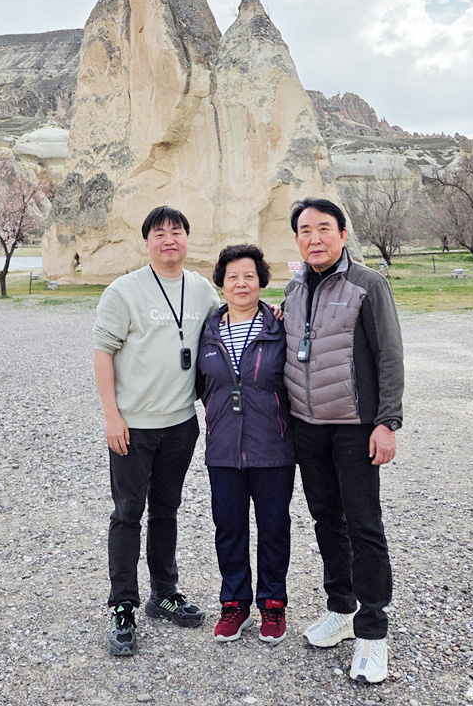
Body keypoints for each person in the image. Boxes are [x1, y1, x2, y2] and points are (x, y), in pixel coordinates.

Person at [283, 197, 404, 684]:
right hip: (308, 426)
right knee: (326, 520)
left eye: (324, 228)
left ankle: (373, 632)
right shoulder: (295, 287)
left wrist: (387, 422)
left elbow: (390, 355)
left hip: (355, 426)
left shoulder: (367, 284)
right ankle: (341, 608)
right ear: (297, 239)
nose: (314, 238)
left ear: (342, 233)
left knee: (364, 525)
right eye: (305, 230)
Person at [93, 206, 220, 656]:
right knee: (128, 513)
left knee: (167, 510)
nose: (170, 239)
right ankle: (122, 606)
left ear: (187, 238)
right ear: (146, 242)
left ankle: (163, 593)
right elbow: (103, 353)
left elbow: (231, 322)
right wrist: (112, 416)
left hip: (181, 423)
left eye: (177, 231)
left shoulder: (201, 289)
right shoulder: (123, 291)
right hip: (133, 426)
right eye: (160, 232)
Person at [195, 244, 294, 644]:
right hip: (222, 448)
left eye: (249, 276)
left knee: (274, 528)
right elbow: (199, 384)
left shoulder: (279, 326)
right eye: (232, 276)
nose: (241, 283)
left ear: (261, 281)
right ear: (221, 282)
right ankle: (234, 604)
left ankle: (272, 603)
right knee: (229, 528)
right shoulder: (206, 331)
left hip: (273, 446)